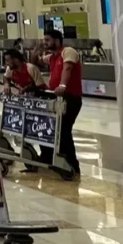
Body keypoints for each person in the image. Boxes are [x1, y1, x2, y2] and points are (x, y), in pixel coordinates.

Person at [42, 29, 83, 177]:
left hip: (70, 98)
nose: (45, 42)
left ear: (57, 40)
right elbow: (36, 61)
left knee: (64, 130)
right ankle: (52, 158)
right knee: (54, 129)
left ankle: (72, 164)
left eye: (47, 40)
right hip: (56, 98)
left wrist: (63, 85)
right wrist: (36, 50)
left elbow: (68, 68)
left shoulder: (68, 52)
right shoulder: (52, 57)